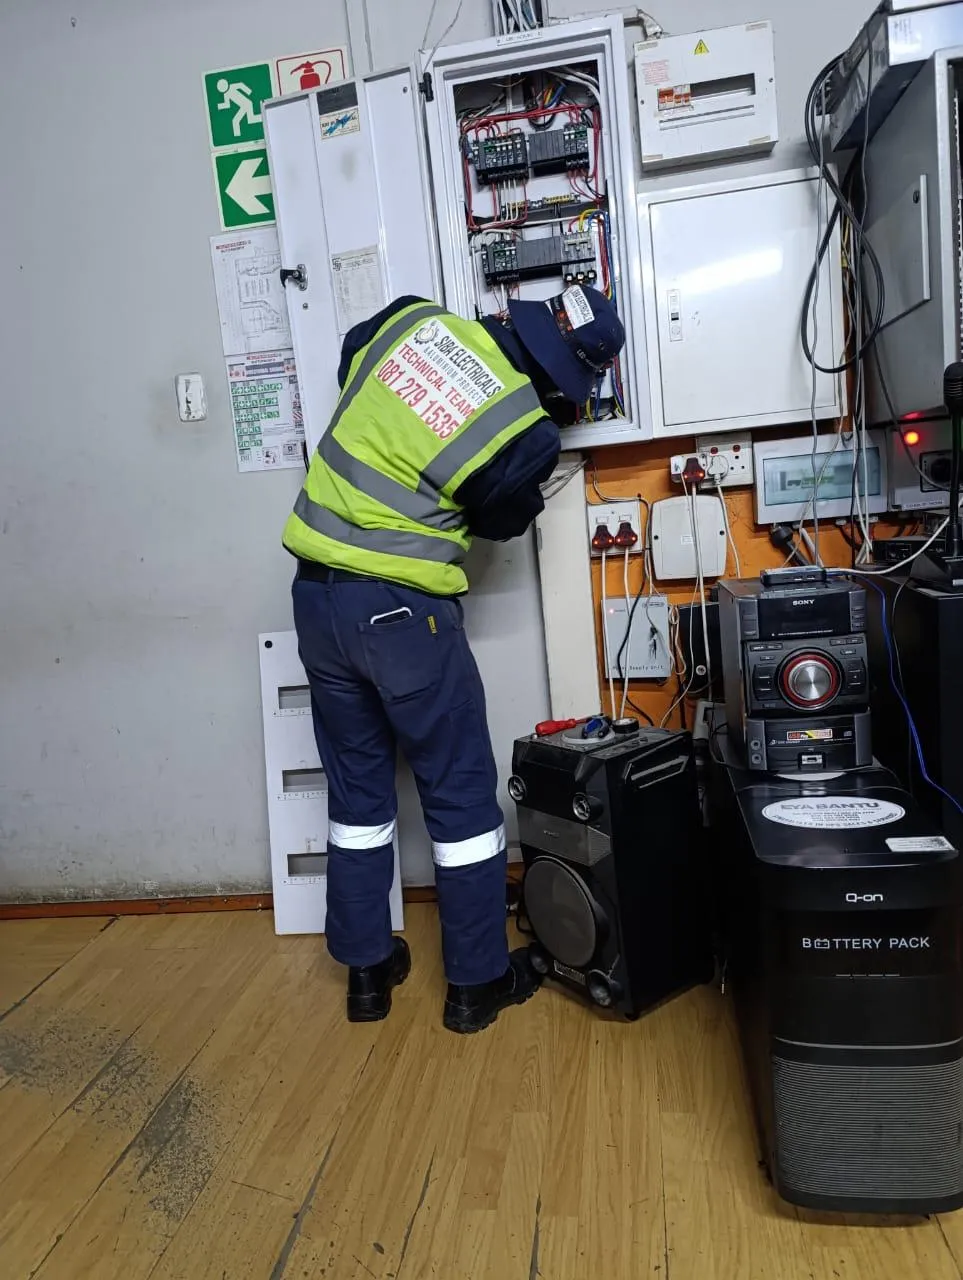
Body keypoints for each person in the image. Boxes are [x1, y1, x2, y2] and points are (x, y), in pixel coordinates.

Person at [284, 286, 626, 1033]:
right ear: (561, 379)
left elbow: (351, 363)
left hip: (314, 602)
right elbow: (501, 519)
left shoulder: (411, 318)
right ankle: (476, 984)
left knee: (357, 799)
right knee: (460, 798)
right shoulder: (525, 431)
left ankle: (367, 974)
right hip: (402, 616)